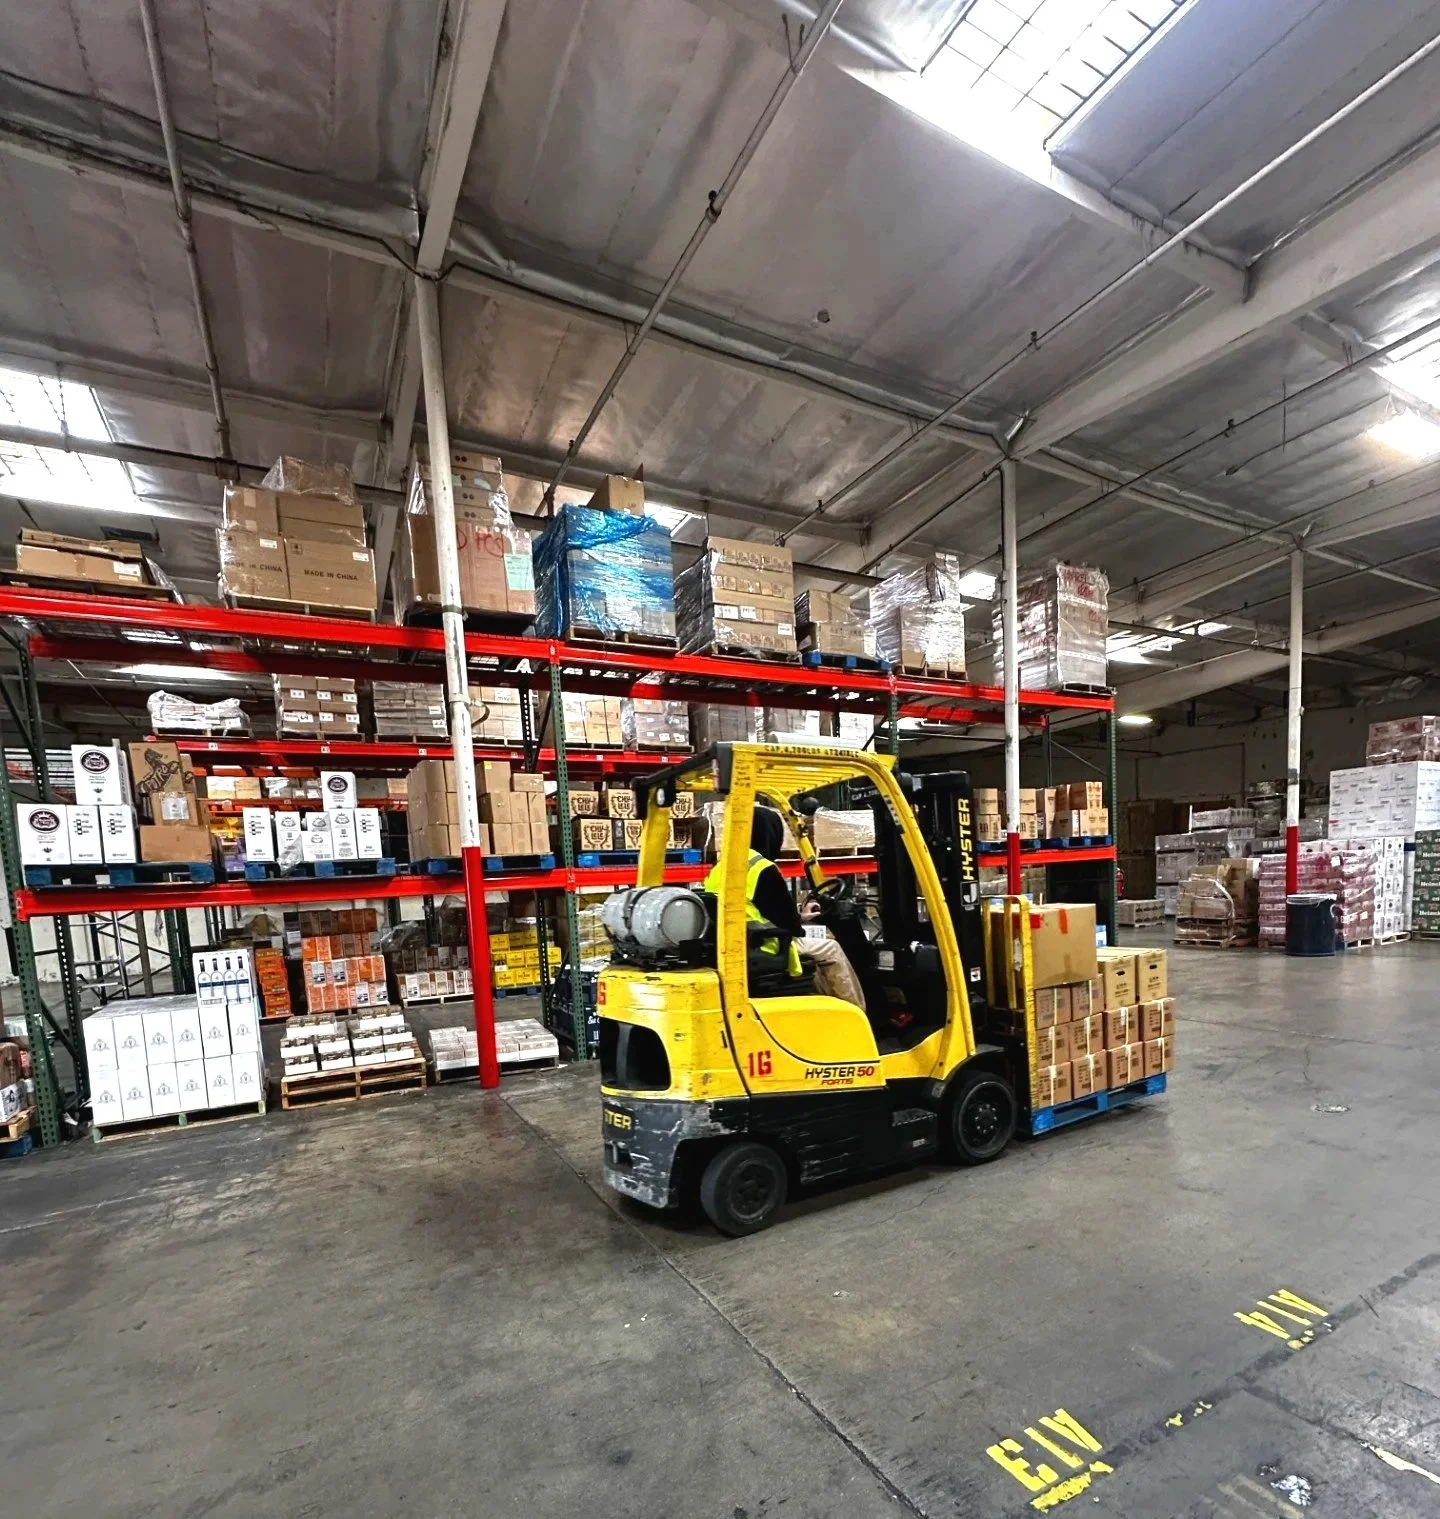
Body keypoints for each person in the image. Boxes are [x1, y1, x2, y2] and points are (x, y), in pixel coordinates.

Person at [705, 805, 864, 1008]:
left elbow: (757, 908)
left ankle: (822, 1001)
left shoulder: (722, 867)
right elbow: (791, 925)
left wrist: (801, 916)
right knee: (830, 949)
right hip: (767, 943)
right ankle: (857, 1012)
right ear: (771, 835)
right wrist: (798, 921)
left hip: (737, 940)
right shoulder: (762, 869)